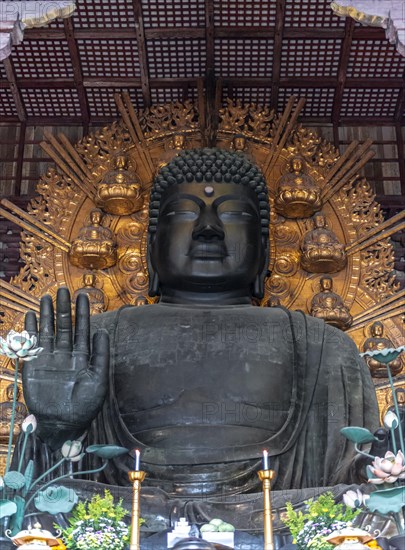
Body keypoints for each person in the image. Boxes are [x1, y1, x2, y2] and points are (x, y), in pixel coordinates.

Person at [20, 148, 378, 497]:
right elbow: (42, 494)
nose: (209, 228)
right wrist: (56, 430)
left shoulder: (325, 348)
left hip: (283, 524)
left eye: (234, 214)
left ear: (265, 248)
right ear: (151, 247)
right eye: (184, 214)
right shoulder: (92, 342)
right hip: (124, 524)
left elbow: (357, 482)